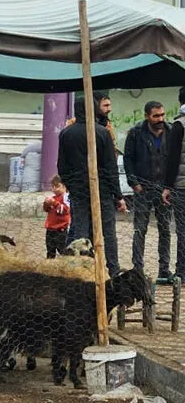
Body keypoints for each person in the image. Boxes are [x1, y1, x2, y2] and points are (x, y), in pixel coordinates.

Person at [58, 96, 127, 277]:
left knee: (81, 230)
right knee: (108, 232)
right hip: (102, 190)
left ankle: (82, 270)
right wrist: (118, 195)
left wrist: (71, 184)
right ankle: (113, 270)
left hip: (78, 190)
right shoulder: (102, 133)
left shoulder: (66, 134)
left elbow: (62, 166)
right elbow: (111, 167)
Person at [124, 101, 171, 280]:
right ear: (147, 116)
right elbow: (128, 159)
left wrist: (169, 185)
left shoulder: (171, 132)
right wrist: (134, 183)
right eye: (156, 116)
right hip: (143, 188)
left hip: (164, 189)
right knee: (140, 229)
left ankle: (164, 269)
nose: (160, 119)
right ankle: (138, 269)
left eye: (162, 115)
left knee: (165, 229)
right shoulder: (136, 133)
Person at [162, 86, 185, 281]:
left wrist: (167, 187)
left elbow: (173, 159)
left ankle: (182, 272)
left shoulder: (179, 125)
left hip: (181, 186)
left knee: (183, 230)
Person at [43, 175, 70, 258]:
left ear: (64, 186)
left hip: (60, 230)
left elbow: (64, 210)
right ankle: (50, 264)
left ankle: (65, 263)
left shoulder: (66, 197)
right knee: (50, 250)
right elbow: (47, 210)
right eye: (53, 187)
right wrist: (46, 204)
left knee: (63, 251)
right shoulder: (53, 198)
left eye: (57, 186)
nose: (54, 189)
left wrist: (54, 203)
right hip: (50, 229)